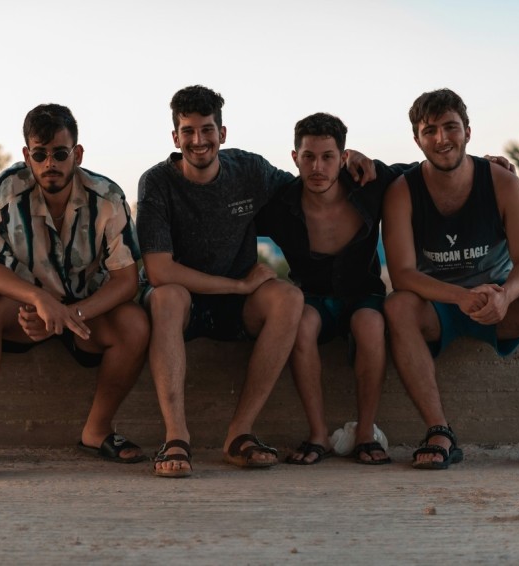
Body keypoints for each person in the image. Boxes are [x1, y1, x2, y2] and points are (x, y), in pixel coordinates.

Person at [136, 86, 375, 477]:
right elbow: (160, 270)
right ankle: (176, 436)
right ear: (176, 138)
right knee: (168, 297)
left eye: (207, 130)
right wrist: (238, 286)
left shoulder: (249, 171)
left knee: (288, 298)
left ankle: (240, 434)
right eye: (188, 131)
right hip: (182, 303)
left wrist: (354, 160)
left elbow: (312, 178)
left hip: (236, 306)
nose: (199, 141)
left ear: (222, 133)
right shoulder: (157, 182)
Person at [0, 103, 148, 479]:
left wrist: (70, 315)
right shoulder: (7, 190)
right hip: (26, 314)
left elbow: (127, 280)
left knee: (135, 324)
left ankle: (97, 431)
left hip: (87, 317)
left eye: (60, 154)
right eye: (40, 154)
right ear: (27, 155)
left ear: (77, 154)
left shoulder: (107, 198)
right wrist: (39, 300)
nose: (51, 163)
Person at [382, 88, 519, 469]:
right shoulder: (402, 192)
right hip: (439, 307)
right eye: (430, 131)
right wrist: (458, 296)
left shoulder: (503, 183)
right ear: (417, 139)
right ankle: (438, 431)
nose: (442, 139)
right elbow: (403, 274)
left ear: (468, 132)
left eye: (450, 127)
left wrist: (506, 295)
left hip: (497, 302)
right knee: (397, 305)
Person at [256, 113, 410, 465]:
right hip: (312, 296)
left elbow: (431, 171)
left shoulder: (371, 182)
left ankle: (366, 434)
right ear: (294, 158)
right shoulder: (280, 204)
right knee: (301, 326)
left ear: (343, 158)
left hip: (363, 294)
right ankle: (318, 435)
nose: (317, 167)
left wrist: (488, 166)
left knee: (371, 326)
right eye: (308, 157)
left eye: (328, 157)